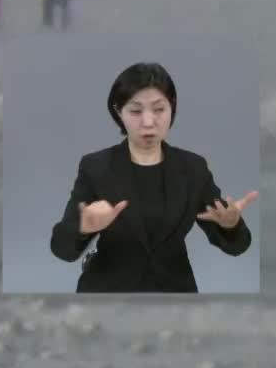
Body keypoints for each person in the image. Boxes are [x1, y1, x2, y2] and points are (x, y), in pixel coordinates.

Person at [48, 61, 257, 292]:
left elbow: (238, 247)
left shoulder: (193, 169)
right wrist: (83, 228)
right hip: (106, 294)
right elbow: (61, 249)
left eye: (159, 109)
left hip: (174, 297)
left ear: (172, 108)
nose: (148, 122)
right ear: (119, 112)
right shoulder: (96, 167)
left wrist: (231, 225)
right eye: (136, 111)